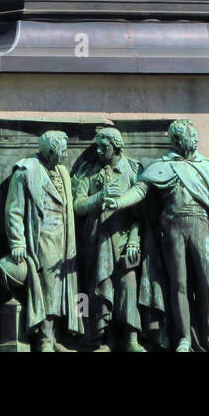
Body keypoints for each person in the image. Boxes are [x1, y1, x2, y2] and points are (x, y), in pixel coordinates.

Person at [106, 119, 209, 351]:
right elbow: (139, 190)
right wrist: (118, 201)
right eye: (191, 135)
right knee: (179, 283)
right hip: (172, 226)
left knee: (208, 282)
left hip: (200, 225)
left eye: (196, 135)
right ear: (177, 139)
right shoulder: (161, 165)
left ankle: (208, 335)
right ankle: (183, 337)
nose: (196, 139)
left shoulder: (206, 165)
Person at [70, 127, 150, 351]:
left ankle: (131, 338)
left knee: (127, 285)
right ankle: (100, 338)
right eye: (97, 145)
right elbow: (77, 205)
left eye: (103, 146)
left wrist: (134, 240)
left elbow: (142, 213)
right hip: (96, 241)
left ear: (116, 146)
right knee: (98, 287)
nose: (98, 150)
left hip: (125, 240)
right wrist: (99, 197)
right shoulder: (89, 170)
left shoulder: (133, 169)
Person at [5, 130, 82, 351]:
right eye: (62, 150)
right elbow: (14, 210)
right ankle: (44, 338)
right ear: (50, 150)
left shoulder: (63, 172)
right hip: (42, 237)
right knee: (48, 287)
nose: (66, 155)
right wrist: (17, 242)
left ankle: (56, 336)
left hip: (65, 238)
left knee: (63, 289)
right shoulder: (26, 171)